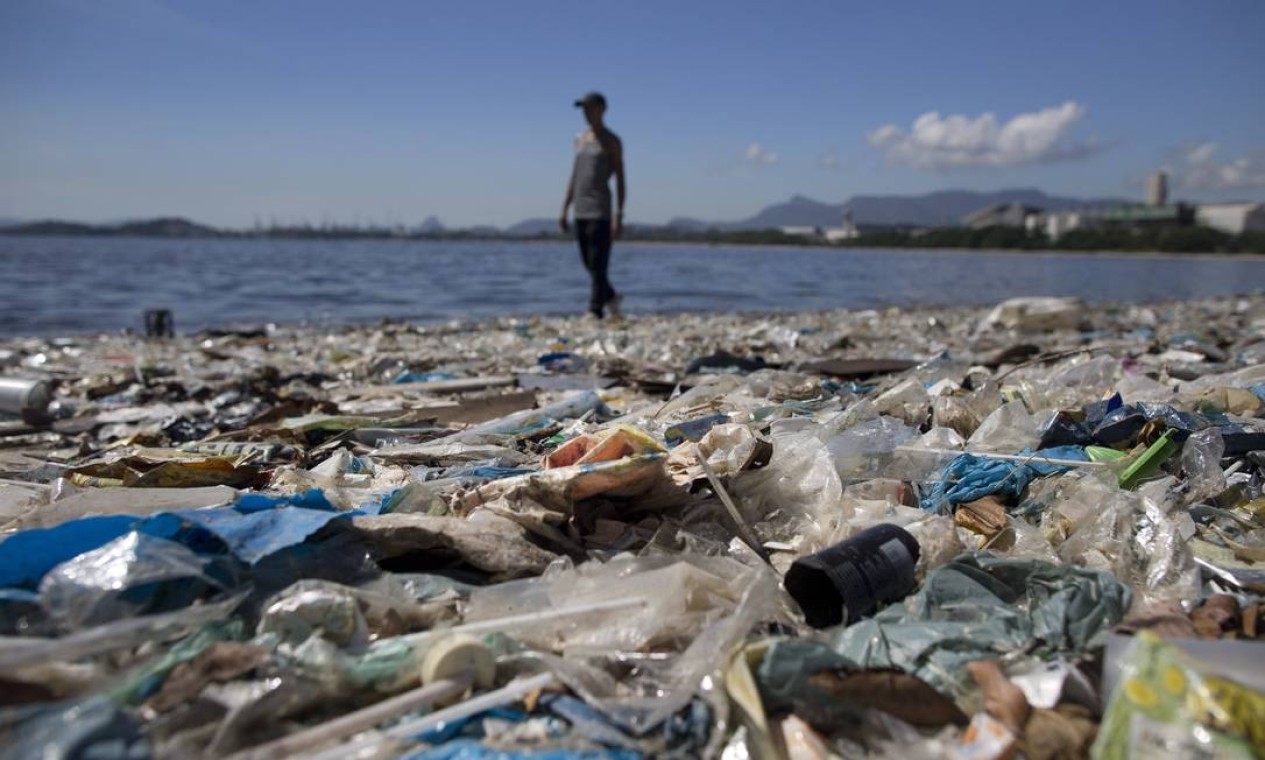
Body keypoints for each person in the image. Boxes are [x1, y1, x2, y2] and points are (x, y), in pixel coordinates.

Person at [560, 91, 626, 320]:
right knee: (588, 262)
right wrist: (564, 207)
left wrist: (619, 213)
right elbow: (574, 175)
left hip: (601, 209)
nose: (586, 114)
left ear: (602, 109)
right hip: (580, 208)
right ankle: (611, 296)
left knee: (599, 262)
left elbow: (620, 177)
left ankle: (595, 308)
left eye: (590, 108)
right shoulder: (579, 139)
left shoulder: (612, 141)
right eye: (583, 109)